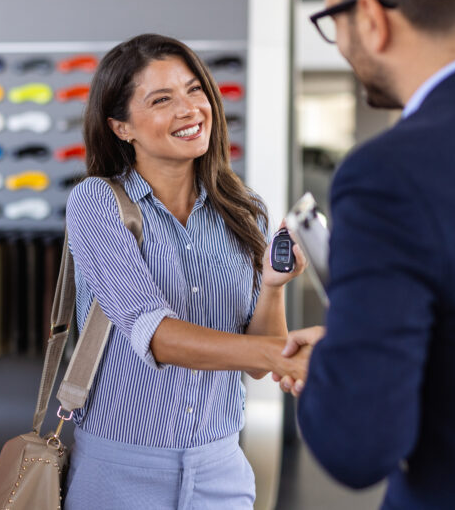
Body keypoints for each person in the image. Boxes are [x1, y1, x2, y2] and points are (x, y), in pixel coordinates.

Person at [278, 0, 455, 508]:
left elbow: (359, 442)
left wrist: (342, 363)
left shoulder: (391, 174)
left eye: (333, 20)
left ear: (370, 17)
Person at [64, 33, 307, 509]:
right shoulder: (96, 203)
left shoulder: (243, 211)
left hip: (221, 470)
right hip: (120, 472)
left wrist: (273, 288)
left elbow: (256, 367)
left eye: (195, 90)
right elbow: (153, 333)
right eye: (161, 99)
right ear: (121, 127)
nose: (189, 108)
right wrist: (286, 355)